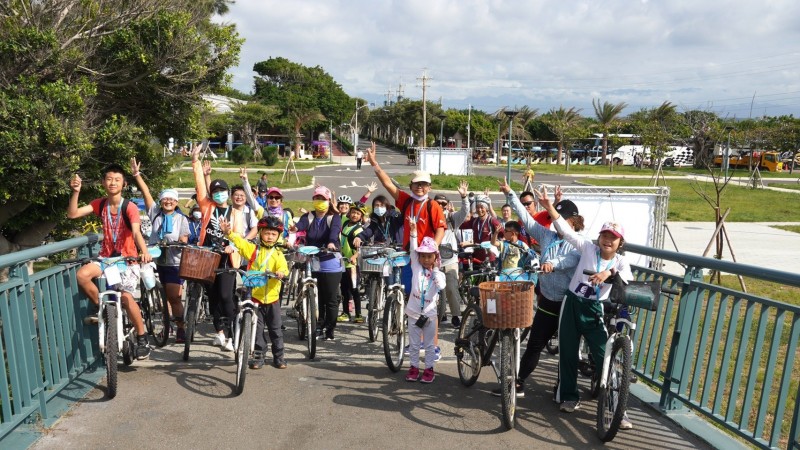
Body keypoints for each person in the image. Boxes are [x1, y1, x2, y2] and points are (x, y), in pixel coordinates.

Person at [535, 186, 633, 424]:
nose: (608, 240)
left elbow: (626, 280)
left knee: (605, 357)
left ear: (620, 242)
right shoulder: (588, 248)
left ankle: (617, 408)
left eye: (613, 238)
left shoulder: (621, 262)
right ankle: (569, 397)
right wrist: (549, 207)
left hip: (594, 309)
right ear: (599, 238)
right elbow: (568, 232)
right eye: (605, 236)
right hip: (572, 304)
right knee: (567, 352)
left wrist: (607, 273)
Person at [498, 178, 582, 402]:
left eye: (563, 220)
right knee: (535, 343)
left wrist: (552, 265)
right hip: (548, 299)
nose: (558, 224)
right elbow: (526, 220)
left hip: (568, 303)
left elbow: (569, 260)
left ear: (573, 222)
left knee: (567, 348)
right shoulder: (548, 236)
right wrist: (510, 194)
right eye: (556, 220)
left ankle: (563, 386)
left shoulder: (578, 242)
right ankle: (519, 380)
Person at [366, 141, 447, 360]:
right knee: (413, 301)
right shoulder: (406, 201)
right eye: (416, 184)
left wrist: (433, 252)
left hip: (428, 259)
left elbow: (440, 228)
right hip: (410, 257)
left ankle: (434, 346)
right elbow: (387, 185)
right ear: (411, 186)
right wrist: (375, 164)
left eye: (423, 185)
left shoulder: (433, 206)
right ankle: (414, 344)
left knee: (429, 304)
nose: (419, 188)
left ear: (429, 187)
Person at [67, 164, 153, 360]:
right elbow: (72, 214)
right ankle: (104, 309)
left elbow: (137, 231)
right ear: (102, 182)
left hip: (127, 260)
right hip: (106, 259)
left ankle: (142, 337)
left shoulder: (129, 207)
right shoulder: (100, 203)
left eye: (117, 179)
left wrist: (144, 252)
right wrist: (75, 192)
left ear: (123, 183)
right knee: (82, 275)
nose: (112, 183)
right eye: (109, 179)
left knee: (126, 298)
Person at [130, 158, 190, 344]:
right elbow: (146, 192)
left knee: (173, 297)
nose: (168, 201)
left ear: (176, 202)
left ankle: (181, 328)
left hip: (173, 261)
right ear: (161, 200)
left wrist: (179, 242)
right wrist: (136, 175)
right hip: (155, 259)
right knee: (157, 293)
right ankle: (162, 322)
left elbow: (184, 238)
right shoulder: (155, 211)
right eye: (165, 198)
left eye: (172, 199)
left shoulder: (182, 219)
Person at [220, 216, 289, 369]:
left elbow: (283, 267)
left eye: (273, 234)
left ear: (278, 236)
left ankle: (279, 357)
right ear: (260, 234)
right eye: (266, 233)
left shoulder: (278, 254)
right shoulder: (254, 250)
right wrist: (228, 233)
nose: (269, 237)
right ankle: (259, 356)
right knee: (257, 331)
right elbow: (241, 243)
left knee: (276, 330)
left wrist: (281, 272)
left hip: (272, 300)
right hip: (255, 299)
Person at [191, 144, 238, 351]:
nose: (219, 194)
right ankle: (219, 332)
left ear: (227, 193)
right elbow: (201, 186)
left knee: (227, 295)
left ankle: (234, 332)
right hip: (207, 258)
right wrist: (195, 161)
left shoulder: (234, 212)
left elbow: (238, 237)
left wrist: (231, 246)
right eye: (215, 192)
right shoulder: (207, 207)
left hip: (226, 259)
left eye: (222, 191)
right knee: (213, 296)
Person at [294, 186, 343, 341]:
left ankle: (330, 329)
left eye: (323, 199)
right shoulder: (308, 216)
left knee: (330, 298)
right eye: (317, 198)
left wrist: (331, 243)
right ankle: (319, 326)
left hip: (330, 260)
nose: (319, 201)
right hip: (313, 260)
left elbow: (335, 232)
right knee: (318, 297)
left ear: (328, 201)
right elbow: (300, 225)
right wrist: (294, 228)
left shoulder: (333, 217)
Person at [404, 224, 446, 384]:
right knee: (414, 345)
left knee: (429, 345)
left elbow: (441, 286)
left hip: (429, 315)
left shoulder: (438, 273)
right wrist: (413, 232)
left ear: (435, 257)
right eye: (423, 256)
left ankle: (429, 369)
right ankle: (413, 368)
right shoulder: (416, 267)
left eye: (429, 256)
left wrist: (435, 270)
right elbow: (413, 250)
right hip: (413, 313)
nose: (425, 259)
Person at [434, 185, 470, 328]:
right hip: (433, 259)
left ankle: (455, 315)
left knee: (451, 288)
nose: (441, 206)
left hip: (450, 259)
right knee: (433, 289)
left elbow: (464, 212)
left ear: (447, 205)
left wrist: (464, 197)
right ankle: (439, 313)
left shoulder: (452, 218)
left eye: (443, 203)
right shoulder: (430, 216)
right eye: (438, 203)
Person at [337, 203, 370, 323]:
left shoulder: (359, 230)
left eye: (358, 213)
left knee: (354, 289)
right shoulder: (345, 222)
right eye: (353, 212)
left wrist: (354, 256)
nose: (355, 215)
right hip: (343, 262)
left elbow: (361, 248)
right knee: (344, 289)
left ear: (361, 216)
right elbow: (337, 211)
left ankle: (359, 315)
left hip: (352, 265)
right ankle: (346, 313)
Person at [459, 194, 502, 263]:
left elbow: (504, 236)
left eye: (482, 207)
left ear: (487, 208)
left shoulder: (492, 221)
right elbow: (459, 225)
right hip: (476, 258)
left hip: (489, 258)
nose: (479, 210)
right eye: (477, 207)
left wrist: (495, 244)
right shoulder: (474, 221)